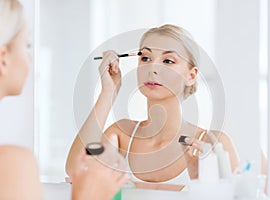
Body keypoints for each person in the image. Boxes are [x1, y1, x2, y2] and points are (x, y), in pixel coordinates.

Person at [66, 24, 240, 191]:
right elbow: (76, 169)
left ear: (191, 75)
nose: (152, 68)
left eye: (168, 61)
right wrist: (108, 92)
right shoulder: (121, 135)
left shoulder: (212, 143)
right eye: (146, 58)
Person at [0, 0, 128, 199]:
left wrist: (108, 92)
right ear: (3, 59)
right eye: (27, 45)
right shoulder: (12, 165)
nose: (30, 57)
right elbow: (75, 165)